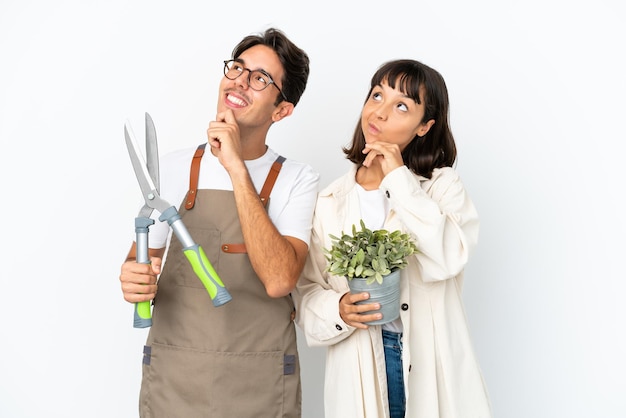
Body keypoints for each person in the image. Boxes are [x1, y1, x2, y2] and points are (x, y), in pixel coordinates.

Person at [119, 28, 319, 418]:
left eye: (260, 78)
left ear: (282, 110)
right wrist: (133, 279)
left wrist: (236, 169)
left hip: (259, 384)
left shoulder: (298, 178)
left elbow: (280, 279)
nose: (241, 81)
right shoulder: (172, 169)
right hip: (176, 381)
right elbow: (139, 264)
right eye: (237, 68)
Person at [293, 59, 492, 418]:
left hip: (428, 359)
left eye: (402, 105)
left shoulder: (441, 187)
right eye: (377, 95)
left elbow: (449, 257)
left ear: (424, 126)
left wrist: (398, 177)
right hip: (358, 360)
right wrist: (337, 309)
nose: (380, 112)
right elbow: (307, 292)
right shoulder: (328, 201)